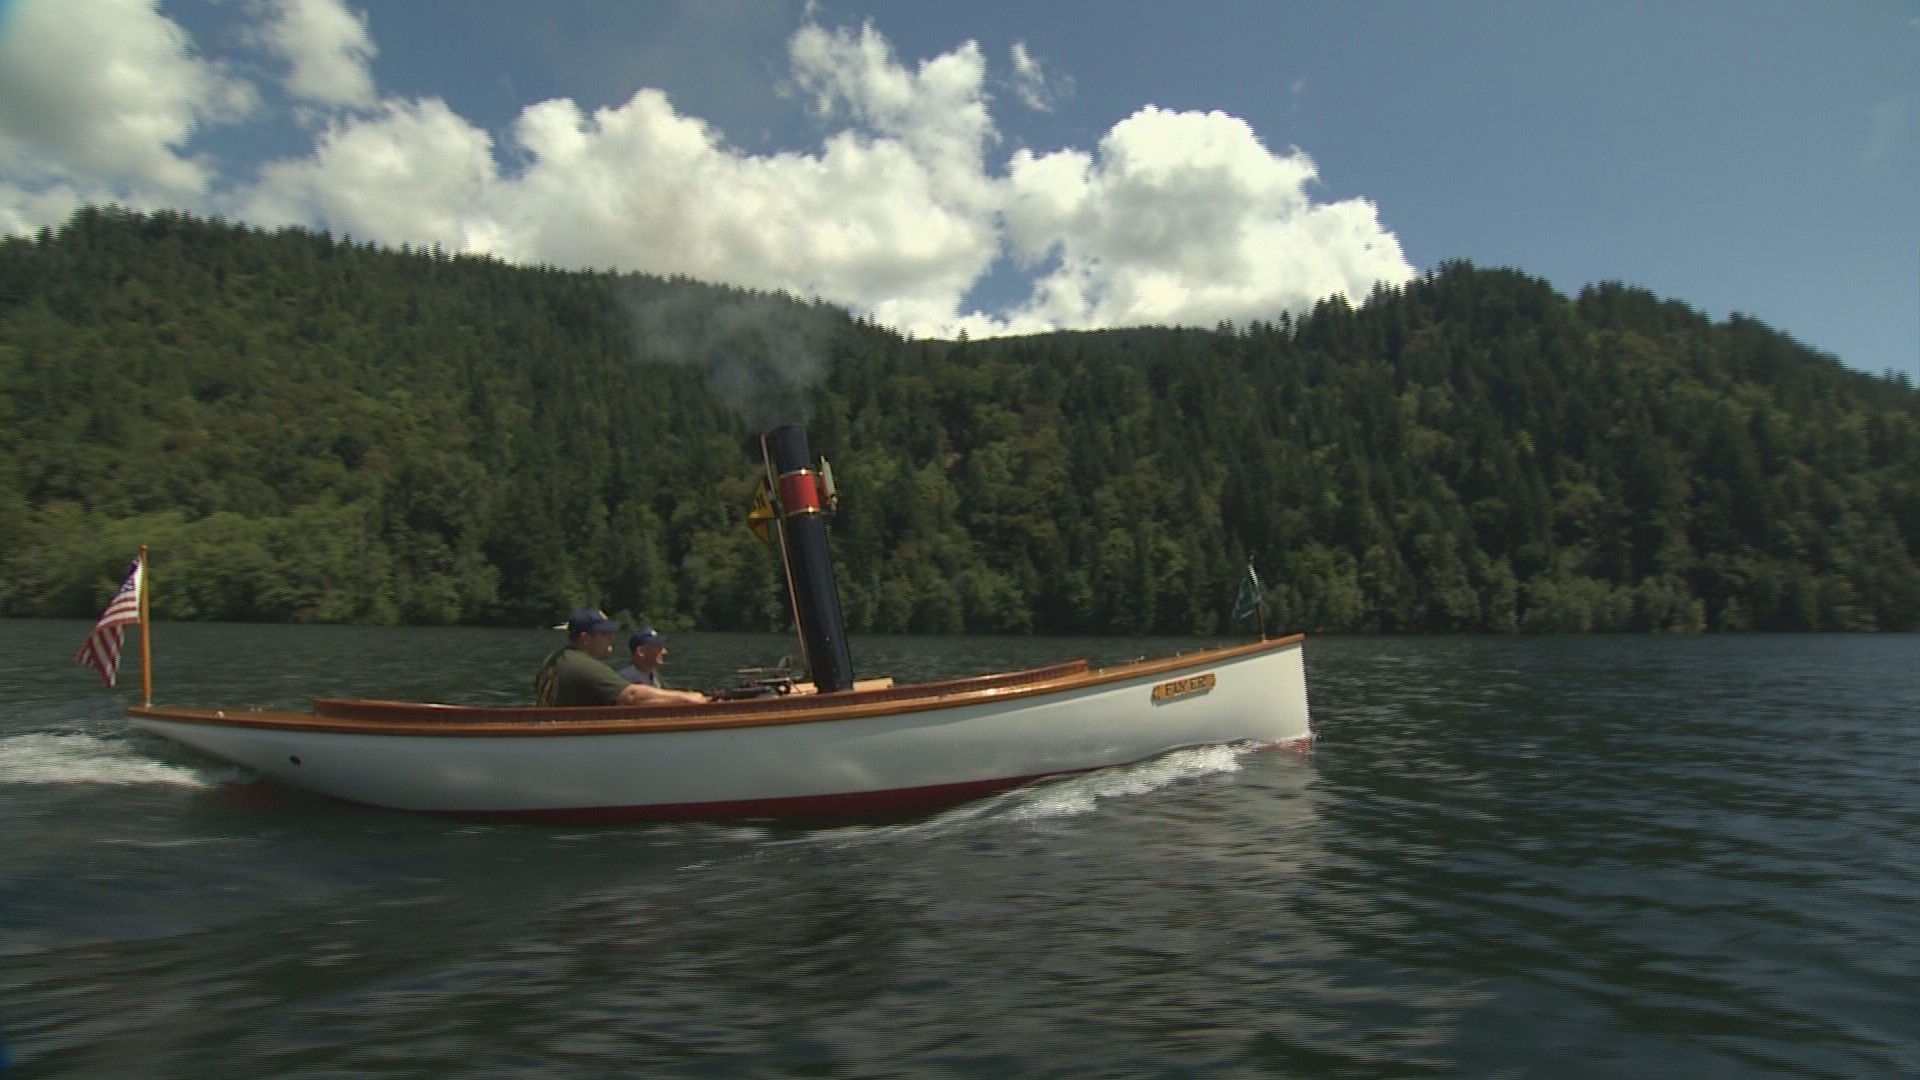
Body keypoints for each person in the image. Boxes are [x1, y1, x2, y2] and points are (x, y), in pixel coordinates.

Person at [535, 609, 705, 707]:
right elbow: (631, 695)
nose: (612, 638)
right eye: (605, 633)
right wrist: (688, 698)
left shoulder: (554, 659)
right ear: (585, 638)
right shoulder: (583, 666)